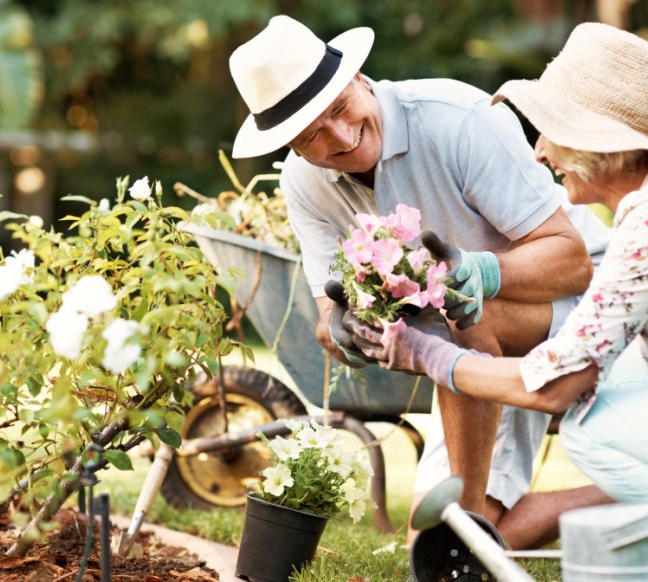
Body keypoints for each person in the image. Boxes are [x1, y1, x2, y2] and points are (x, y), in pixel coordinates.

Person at [353, 22, 648, 581]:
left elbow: (561, 384)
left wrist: (430, 357)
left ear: (596, 139)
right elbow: (586, 352)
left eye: (549, 132)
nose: (540, 154)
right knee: (623, 382)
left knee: (591, 426)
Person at [227, 14, 613, 548]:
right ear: (291, 147)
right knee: (422, 542)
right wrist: (343, 329)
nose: (340, 136)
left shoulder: (459, 120)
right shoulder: (305, 184)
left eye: (340, 108)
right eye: (313, 135)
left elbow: (574, 262)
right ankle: (632, 501)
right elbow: (325, 315)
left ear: (358, 79)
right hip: (472, 353)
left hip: (588, 310)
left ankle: (465, 530)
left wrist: (479, 271)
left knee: (462, 310)